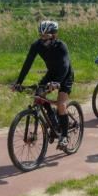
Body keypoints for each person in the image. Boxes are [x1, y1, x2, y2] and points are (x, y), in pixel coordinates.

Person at [12, 20, 74, 150]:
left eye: (46, 36)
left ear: (54, 35)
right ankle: (53, 121)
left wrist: (57, 83)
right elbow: (27, 64)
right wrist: (18, 83)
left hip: (65, 75)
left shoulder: (61, 46)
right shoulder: (36, 45)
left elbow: (65, 65)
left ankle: (64, 136)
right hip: (51, 74)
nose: (43, 39)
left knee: (61, 104)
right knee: (39, 96)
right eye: (41, 35)